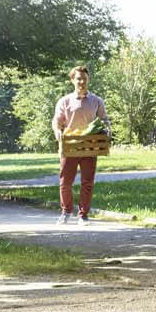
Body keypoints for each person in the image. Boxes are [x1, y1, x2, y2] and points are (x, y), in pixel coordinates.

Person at [50, 65, 109, 226]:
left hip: (90, 146)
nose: (81, 81)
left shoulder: (96, 101)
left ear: (88, 79)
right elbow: (57, 120)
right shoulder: (65, 101)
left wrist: (106, 130)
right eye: (78, 78)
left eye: (84, 78)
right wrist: (57, 131)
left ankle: (83, 215)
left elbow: (104, 120)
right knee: (65, 182)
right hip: (70, 146)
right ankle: (66, 212)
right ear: (72, 80)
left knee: (87, 182)